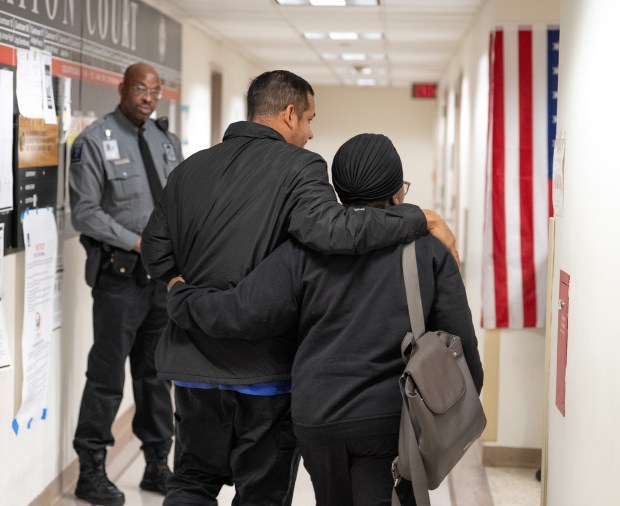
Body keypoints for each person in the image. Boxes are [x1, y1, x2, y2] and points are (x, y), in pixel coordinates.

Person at [140, 70, 458, 505]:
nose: (310, 133)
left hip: (193, 365)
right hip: (264, 373)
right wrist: (421, 218)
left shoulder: (190, 167)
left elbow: (155, 249)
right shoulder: (301, 167)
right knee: (262, 494)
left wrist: (180, 289)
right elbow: (331, 230)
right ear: (289, 114)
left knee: (191, 480)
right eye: (309, 119)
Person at [69, 62, 183, 506]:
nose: (149, 97)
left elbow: (178, 201)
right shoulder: (94, 141)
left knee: (157, 376)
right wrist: (137, 243)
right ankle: (91, 471)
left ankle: (157, 465)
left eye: (155, 90)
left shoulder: (166, 141)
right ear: (122, 88)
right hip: (119, 278)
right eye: (140, 88)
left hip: (161, 280)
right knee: (106, 376)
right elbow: (85, 213)